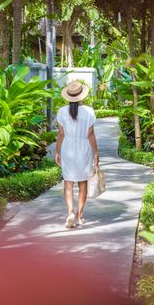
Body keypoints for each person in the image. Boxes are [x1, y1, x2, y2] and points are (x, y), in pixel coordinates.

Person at [55, 81, 99, 228]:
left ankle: (70, 213)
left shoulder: (61, 112)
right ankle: (80, 216)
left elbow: (61, 134)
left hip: (67, 148)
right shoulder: (89, 111)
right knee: (82, 183)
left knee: (68, 182)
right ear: (82, 96)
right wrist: (96, 153)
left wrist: (57, 151)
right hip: (84, 148)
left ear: (68, 96)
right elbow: (91, 134)